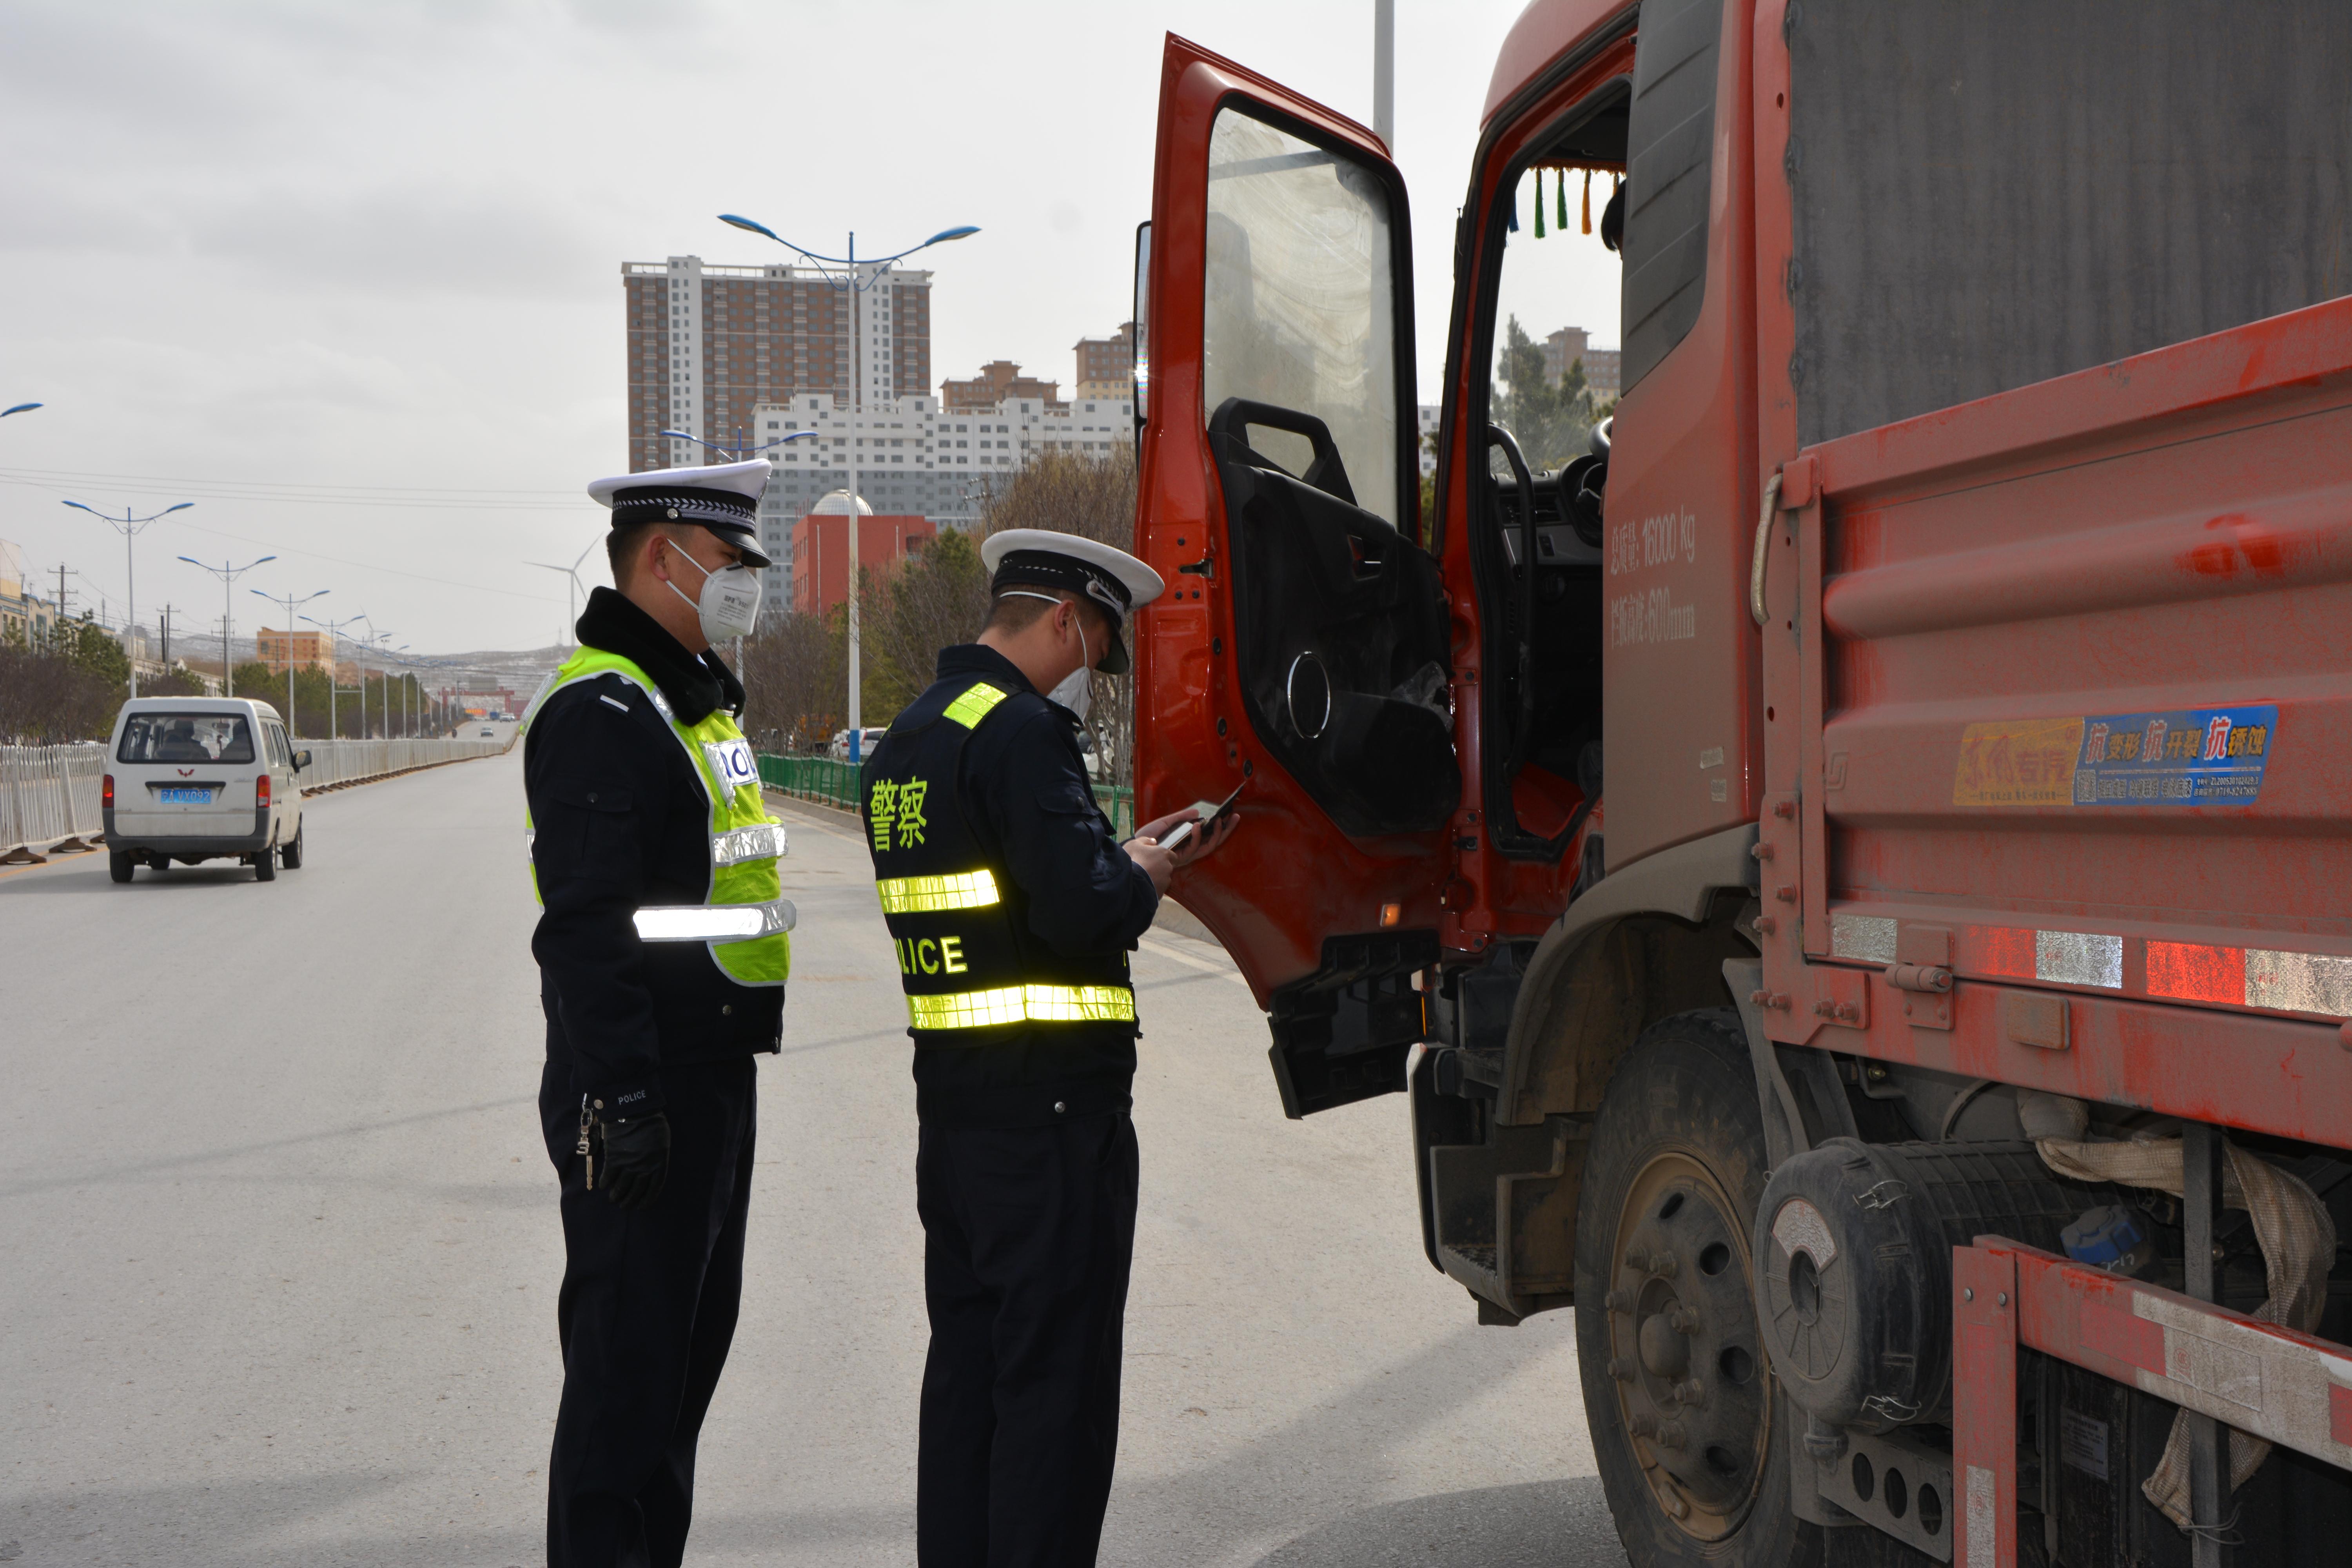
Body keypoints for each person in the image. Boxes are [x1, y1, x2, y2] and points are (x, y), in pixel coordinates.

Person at [862, 527, 1238, 1566]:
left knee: (972, 1380)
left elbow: (1008, 892)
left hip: (960, 1112)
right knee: (1054, 1395)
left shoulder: (915, 733)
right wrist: (1147, 872)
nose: (1096, 677)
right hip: (1054, 1118)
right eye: (1101, 648)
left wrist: (1103, 859)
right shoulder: (1026, 732)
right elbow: (1083, 910)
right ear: (1069, 621)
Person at [521, 458, 794, 1568]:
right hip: (644, 1095)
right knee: (624, 1390)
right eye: (730, 564)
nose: (744, 586)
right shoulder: (602, 708)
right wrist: (626, 1097)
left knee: (678, 1380)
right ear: (659, 555)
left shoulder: (689, 697)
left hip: (713, 1080)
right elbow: (587, 930)